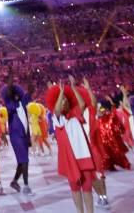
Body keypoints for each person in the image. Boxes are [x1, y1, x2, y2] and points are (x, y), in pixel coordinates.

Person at [48, 81, 99, 213]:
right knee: (76, 190)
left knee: (87, 189)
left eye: (65, 99)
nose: (63, 101)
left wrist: (73, 88)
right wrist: (61, 93)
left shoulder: (76, 114)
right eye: (61, 99)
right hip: (71, 161)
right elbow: (57, 110)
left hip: (84, 157)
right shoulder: (58, 119)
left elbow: (82, 104)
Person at [1, 80, 32, 194]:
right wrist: (10, 80)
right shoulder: (10, 106)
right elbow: (9, 93)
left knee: (21, 161)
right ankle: (26, 186)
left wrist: (30, 78)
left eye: (17, 93)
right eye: (13, 94)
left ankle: (14, 181)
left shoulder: (22, 104)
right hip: (15, 136)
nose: (16, 95)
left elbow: (29, 94)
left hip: (24, 136)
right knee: (25, 160)